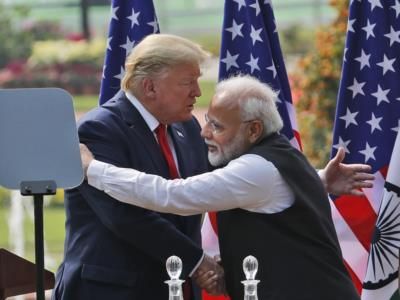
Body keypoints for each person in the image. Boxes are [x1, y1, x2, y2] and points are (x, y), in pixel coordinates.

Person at [80, 75, 374, 300]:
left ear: (253, 129)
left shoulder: (256, 169)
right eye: (207, 121)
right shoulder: (278, 156)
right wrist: (319, 180)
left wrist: (93, 169)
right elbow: (276, 193)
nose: (204, 133)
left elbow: (171, 194)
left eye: (217, 126)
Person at [52, 34, 224, 300]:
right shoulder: (99, 130)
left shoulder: (186, 127)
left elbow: (209, 189)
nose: (198, 92)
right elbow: (126, 216)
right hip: (112, 291)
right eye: (188, 82)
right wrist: (197, 262)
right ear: (150, 87)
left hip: (175, 287)